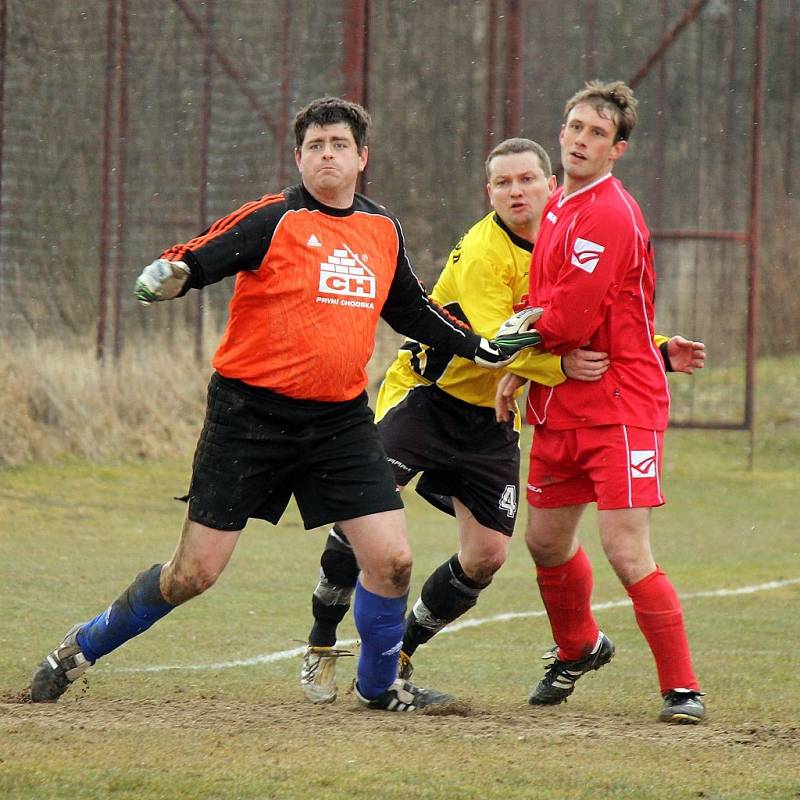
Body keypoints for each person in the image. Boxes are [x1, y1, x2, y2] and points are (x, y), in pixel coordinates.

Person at [28, 97, 537, 712]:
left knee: (393, 560)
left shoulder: (382, 229)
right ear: (299, 158)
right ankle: (79, 648)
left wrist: (483, 348)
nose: (328, 155)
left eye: (340, 145)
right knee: (194, 575)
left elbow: (412, 310)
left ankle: (380, 689)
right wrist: (173, 273)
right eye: (316, 145)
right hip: (249, 420)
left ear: (361, 158)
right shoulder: (274, 218)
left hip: (339, 422)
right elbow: (201, 255)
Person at [300, 137, 617, 704]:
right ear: (488, 192)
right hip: (427, 395)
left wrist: (659, 347)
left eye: (527, 180)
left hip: (491, 419)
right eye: (503, 183)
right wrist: (561, 364)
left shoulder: (573, 243)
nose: (517, 191)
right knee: (365, 514)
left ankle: (402, 650)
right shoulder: (482, 251)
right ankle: (321, 641)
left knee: (488, 556)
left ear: (552, 184)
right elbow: (498, 346)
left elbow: (603, 316)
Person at [495, 81, 707, 724]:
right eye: (574, 127)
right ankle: (578, 647)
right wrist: (529, 366)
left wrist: (517, 341)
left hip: (621, 404)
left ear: (617, 149)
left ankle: (682, 690)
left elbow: (569, 314)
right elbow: (547, 306)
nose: (581, 140)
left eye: (596, 133)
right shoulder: (557, 204)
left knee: (624, 547)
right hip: (563, 403)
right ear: (561, 133)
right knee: (546, 541)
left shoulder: (609, 214)